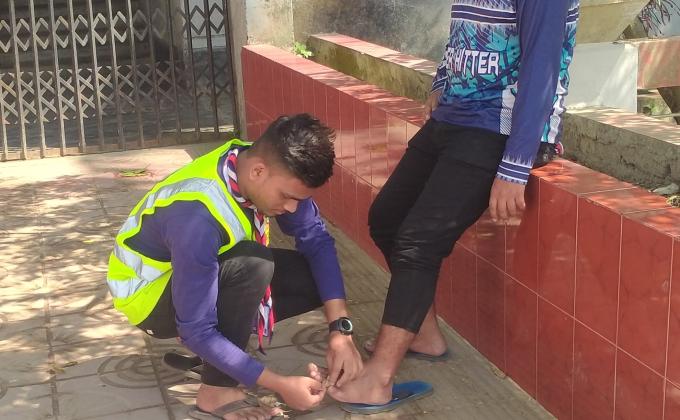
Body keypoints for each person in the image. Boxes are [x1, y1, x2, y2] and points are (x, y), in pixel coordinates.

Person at [327, 0, 581, 411]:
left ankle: (378, 380)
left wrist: (515, 166)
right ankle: (423, 334)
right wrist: (441, 82)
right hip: (454, 116)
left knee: (418, 242)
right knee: (387, 218)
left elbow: (542, 67)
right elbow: (464, 31)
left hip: (500, 126)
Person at [106, 114, 362, 420]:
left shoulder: (256, 163)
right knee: (253, 264)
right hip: (149, 298)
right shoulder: (196, 218)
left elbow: (317, 242)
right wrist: (280, 385)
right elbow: (196, 329)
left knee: (313, 278)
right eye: (287, 197)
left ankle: (220, 354)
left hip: (197, 272)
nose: (292, 208)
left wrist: (340, 331)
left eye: (299, 199)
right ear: (258, 171)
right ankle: (216, 392)